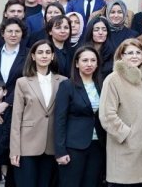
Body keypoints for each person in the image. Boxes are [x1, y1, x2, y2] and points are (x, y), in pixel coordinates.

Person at [100, 38, 142, 186]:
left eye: (138, 52)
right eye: (130, 53)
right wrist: (127, 134)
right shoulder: (113, 79)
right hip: (125, 149)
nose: (134, 56)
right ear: (121, 56)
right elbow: (107, 115)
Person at [10, 39, 66, 186]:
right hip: (26, 145)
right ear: (33, 56)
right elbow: (16, 118)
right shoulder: (22, 82)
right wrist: (14, 149)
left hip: (51, 145)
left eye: (48, 52)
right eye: (40, 52)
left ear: (53, 56)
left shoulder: (63, 81)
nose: (44, 56)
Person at [55, 46, 107, 187]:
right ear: (77, 63)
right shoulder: (67, 86)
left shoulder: (103, 85)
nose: (89, 64)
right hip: (74, 146)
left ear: (97, 63)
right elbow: (60, 120)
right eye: (85, 60)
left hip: (97, 145)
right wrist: (60, 151)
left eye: (93, 60)